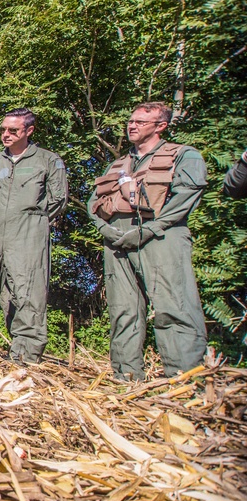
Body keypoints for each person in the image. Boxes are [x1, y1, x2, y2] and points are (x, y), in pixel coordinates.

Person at [87, 102, 208, 380]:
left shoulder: (184, 156)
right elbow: (95, 202)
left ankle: (183, 379)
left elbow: (185, 199)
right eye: (131, 121)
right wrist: (104, 229)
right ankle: (126, 378)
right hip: (116, 239)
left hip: (161, 237)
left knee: (173, 306)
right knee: (123, 310)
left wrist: (151, 229)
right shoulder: (118, 163)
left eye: (141, 122)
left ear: (160, 126)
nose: (132, 126)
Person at [0, 108, 69, 363]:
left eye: (13, 130)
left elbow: (58, 199)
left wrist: (31, 218)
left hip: (29, 230)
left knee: (28, 291)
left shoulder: (47, 160)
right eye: (2, 130)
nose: (5, 135)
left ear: (29, 131)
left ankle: (24, 355)